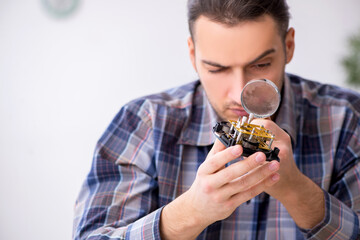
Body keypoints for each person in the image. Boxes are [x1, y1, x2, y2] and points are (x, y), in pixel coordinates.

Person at [73, 0, 360, 239]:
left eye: (260, 65)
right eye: (217, 69)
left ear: (289, 45)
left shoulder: (347, 119)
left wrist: (295, 189)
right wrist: (190, 213)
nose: (239, 94)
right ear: (193, 54)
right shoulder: (144, 123)